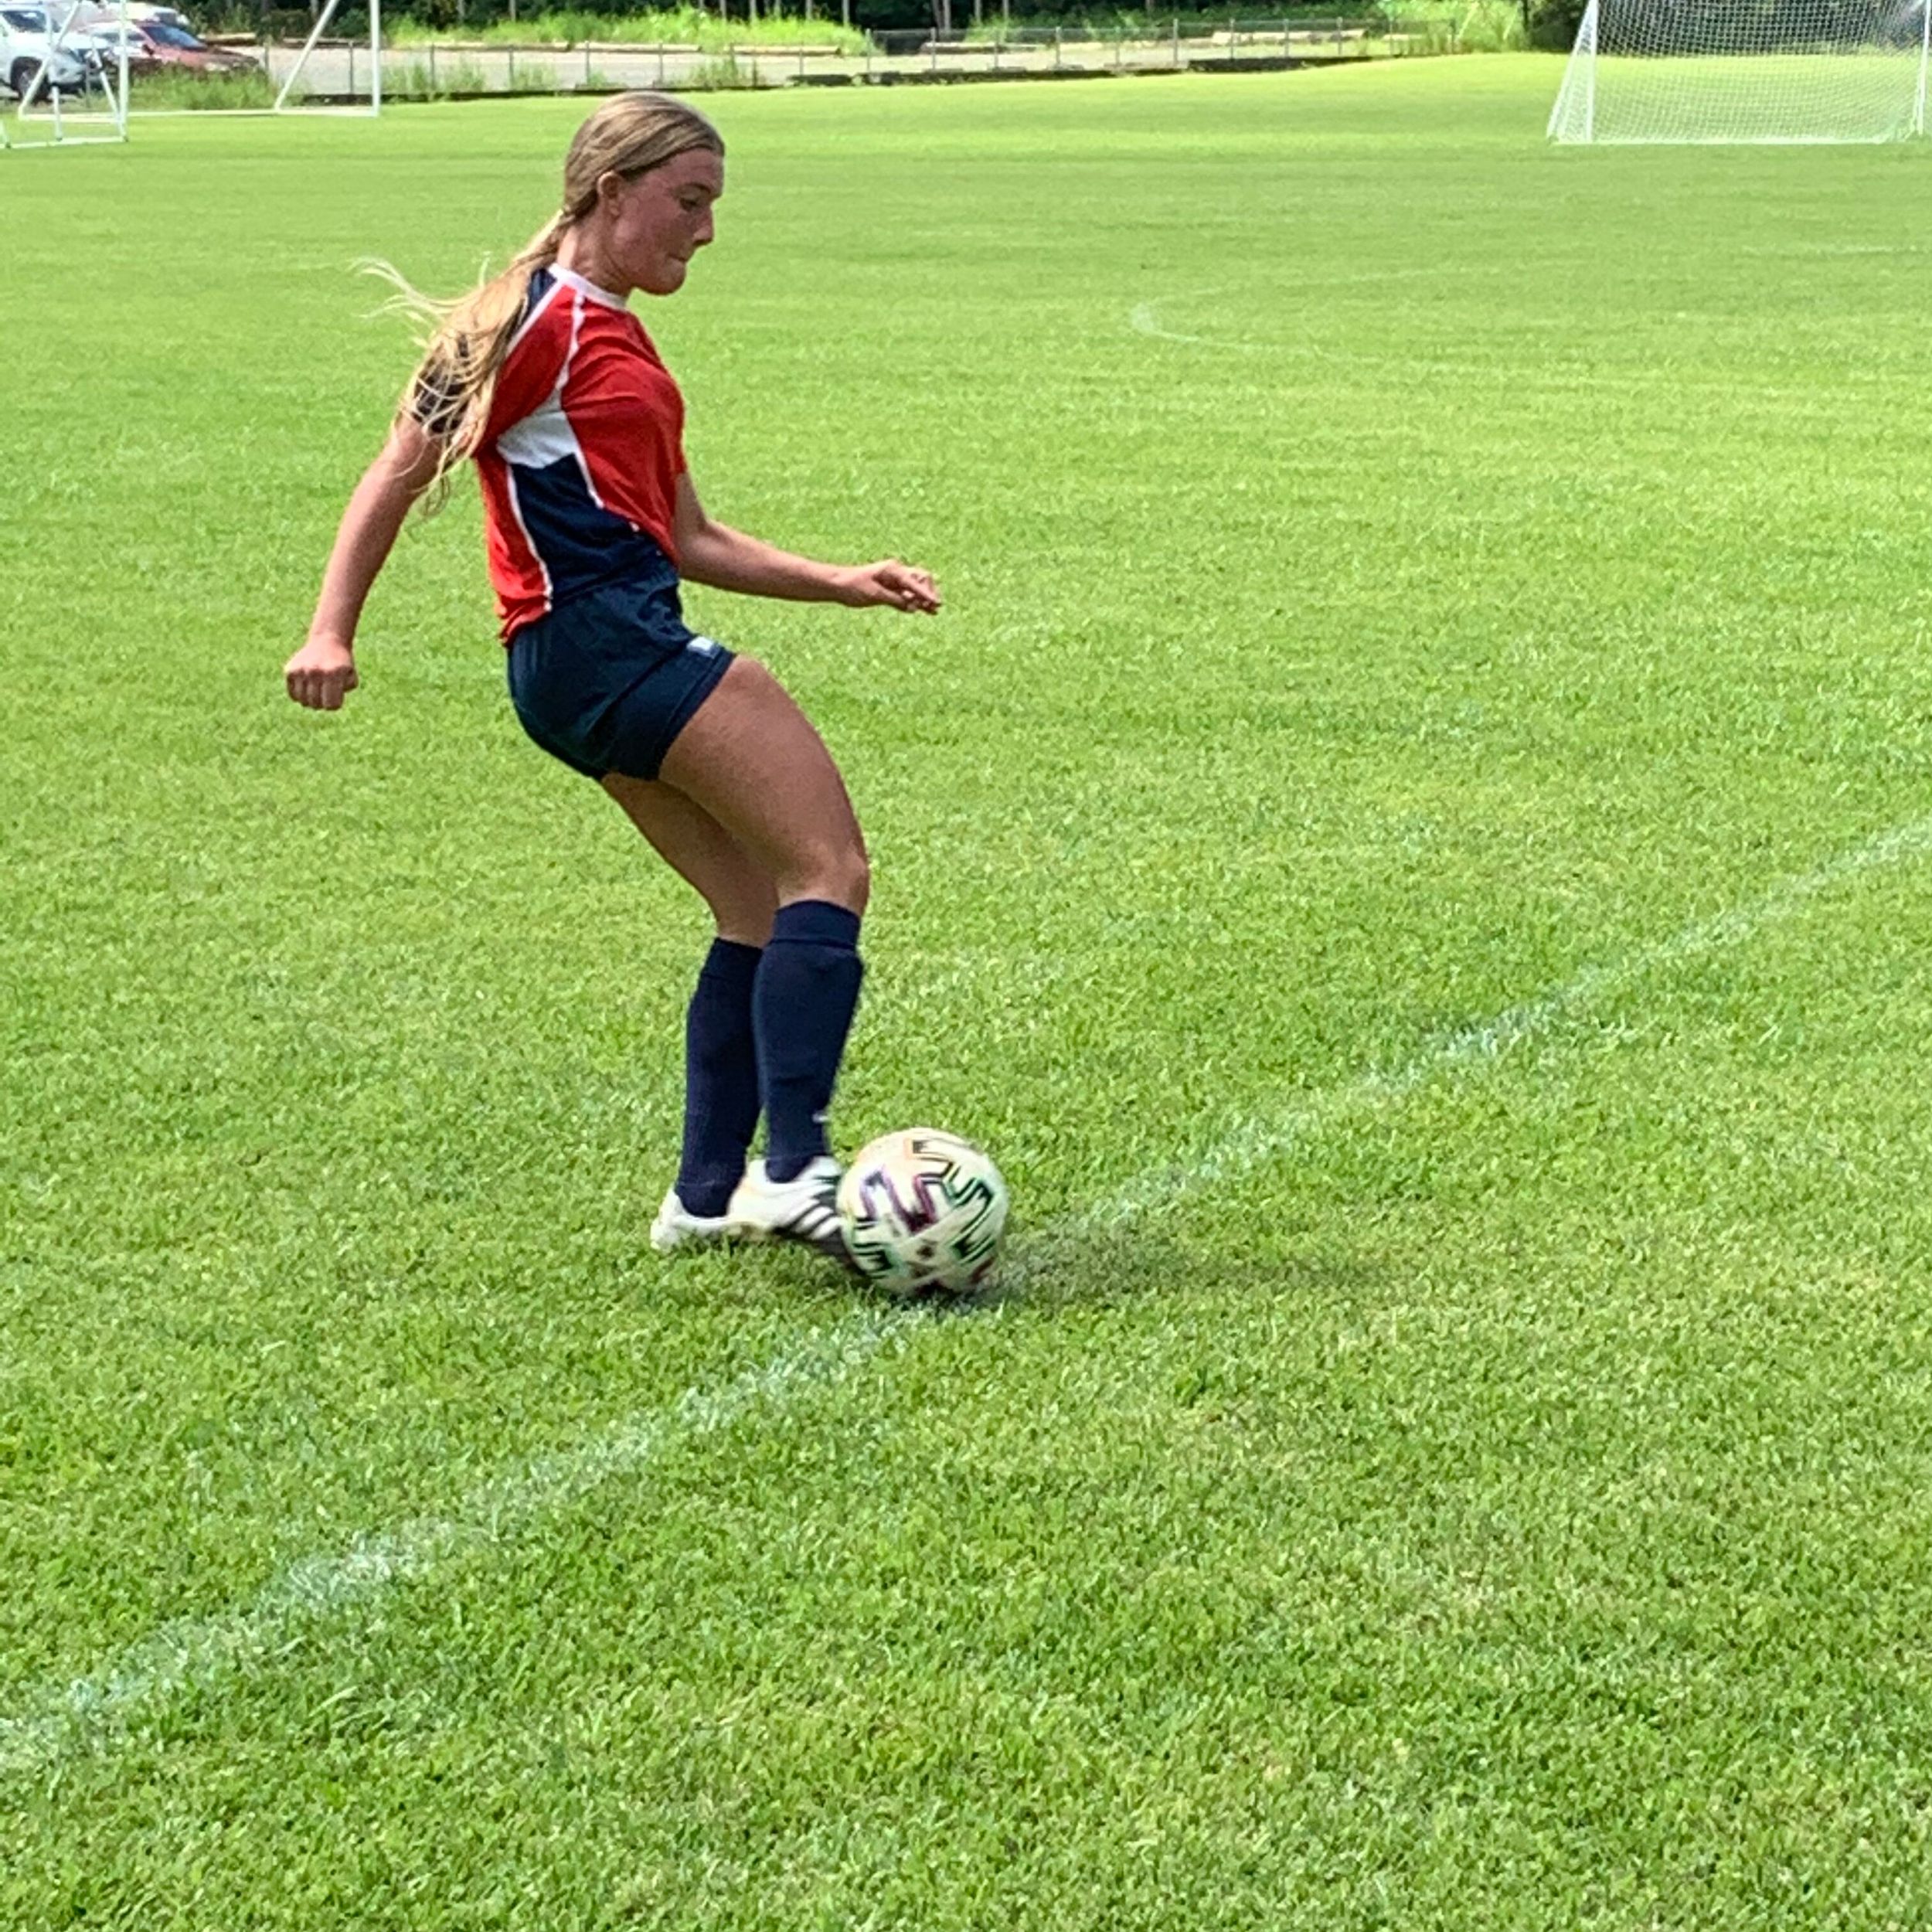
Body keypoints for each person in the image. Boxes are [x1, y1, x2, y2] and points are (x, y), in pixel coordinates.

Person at [284, 92, 940, 1263]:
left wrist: (843, 581)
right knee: (829, 869)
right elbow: (398, 468)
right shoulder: (529, 321)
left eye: (713, 205)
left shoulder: (618, 336)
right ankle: (796, 1171)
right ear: (611, 191)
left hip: (581, 659)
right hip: (601, 639)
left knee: (756, 908)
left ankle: (704, 1196)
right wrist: (331, 630)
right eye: (688, 201)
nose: (706, 229)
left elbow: (687, 536)